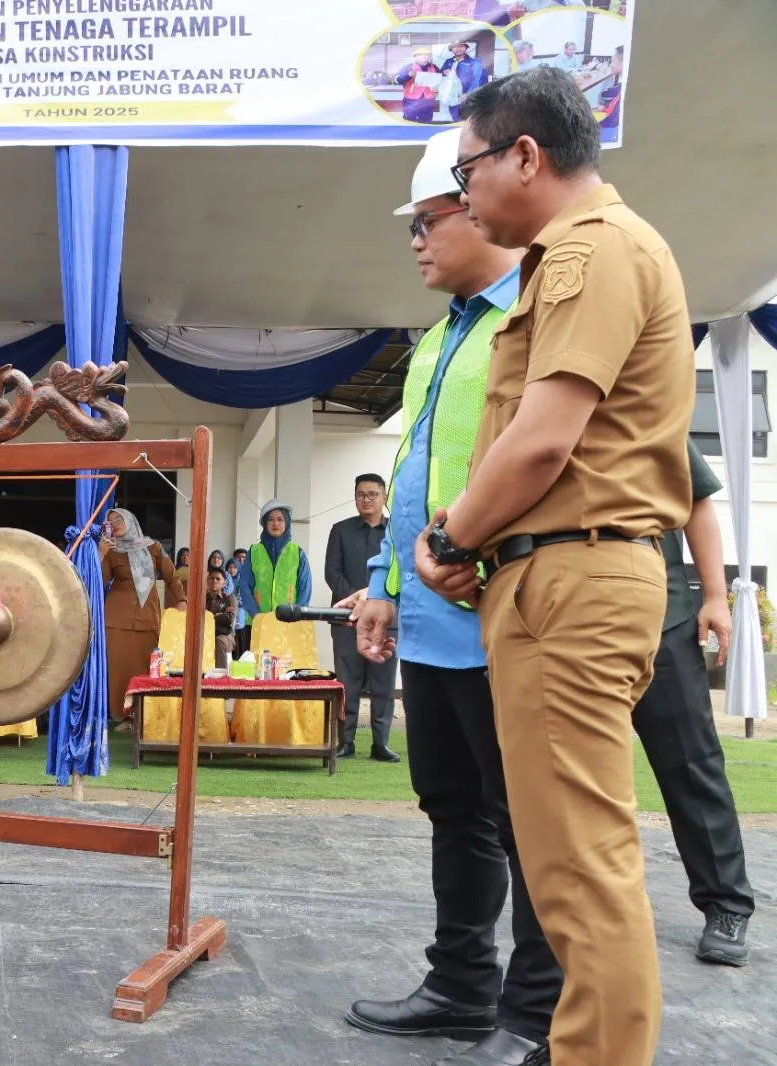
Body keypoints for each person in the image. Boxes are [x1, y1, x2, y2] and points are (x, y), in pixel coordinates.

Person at [410, 68, 695, 1065]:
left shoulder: (590, 252)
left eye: (468, 168)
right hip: (550, 576)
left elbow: (542, 442)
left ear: (524, 155)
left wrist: (451, 540)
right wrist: (472, 540)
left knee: (579, 868)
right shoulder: (572, 257)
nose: (466, 191)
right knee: (566, 862)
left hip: (575, 583)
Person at [346, 127, 559, 1066]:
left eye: (429, 221)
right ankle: (461, 988)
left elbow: (543, 459)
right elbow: (412, 471)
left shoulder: (542, 312)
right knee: (451, 805)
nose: (418, 242)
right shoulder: (437, 339)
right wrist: (384, 588)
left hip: (504, 612)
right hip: (428, 618)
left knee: (529, 822)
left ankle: (537, 1014)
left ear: (478, 212)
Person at [632, 447, 755, 966]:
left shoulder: (649, 402)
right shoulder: (524, 408)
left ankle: (726, 904)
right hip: (568, 622)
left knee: (692, 766)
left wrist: (713, 596)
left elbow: (698, 502)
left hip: (664, 620)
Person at [325, 474, 399, 762]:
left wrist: (375, 602)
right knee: (347, 683)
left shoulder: (396, 533)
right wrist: (358, 602)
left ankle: (381, 743)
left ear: (383, 497)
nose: (366, 499)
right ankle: (346, 741)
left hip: (387, 619)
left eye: (372, 494)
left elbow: (400, 573)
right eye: (360, 495)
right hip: (346, 617)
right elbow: (333, 573)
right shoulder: (340, 530)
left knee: (384, 682)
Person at [101, 507, 185, 728]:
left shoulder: (153, 547)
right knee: (119, 670)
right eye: (110, 521)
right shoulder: (111, 550)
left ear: (131, 520)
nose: (115, 523)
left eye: (119, 518)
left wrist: (182, 600)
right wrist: (100, 554)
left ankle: (145, 716)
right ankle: (124, 716)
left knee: (147, 667)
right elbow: (100, 582)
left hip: (147, 616)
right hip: (117, 618)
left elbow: (172, 576)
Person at [237, 501, 311, 635]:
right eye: (271, 519)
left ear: (286, 523)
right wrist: (257, 616)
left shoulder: (298, 553)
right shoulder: (254, 551)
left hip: (289, 623)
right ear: (265, 523)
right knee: (259, 656)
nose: (275, 523)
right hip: (258, 622)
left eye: (280, 519)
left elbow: (304, 589)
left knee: (287, 657)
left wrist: (296, 615)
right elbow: (244, 586)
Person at [442, 40, 487, 122]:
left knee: (468, 122)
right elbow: (441, 76)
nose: (458, 49)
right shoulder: (448, 62)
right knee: (455, 120)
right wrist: (444, 72)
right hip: (452, 98)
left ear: (466, 48)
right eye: (455, 47)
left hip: (467, 98)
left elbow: (479, 79)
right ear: (451, 49)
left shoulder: (474, 62)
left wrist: (468, 94)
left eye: (461, 46)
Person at [396, 47, 443, 124]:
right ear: (415, 57)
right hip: (411, 101)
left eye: (426, 55)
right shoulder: (408, 67)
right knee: (409, 122)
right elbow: (397, 80)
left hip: (428, 101)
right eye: (421, 55)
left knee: (426, 122)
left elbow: (440, 81)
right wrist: (408, 75)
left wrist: (437, 87)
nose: (424, 57)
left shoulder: (434, 67)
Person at [204, 567, 236, 669]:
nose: (214, 581)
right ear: (207, 580)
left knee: (219, 640)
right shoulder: (202, 599)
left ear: (224, 583)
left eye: (218, 579)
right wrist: (219, 616)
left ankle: (221, 675)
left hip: (226, 636)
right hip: (206, 634)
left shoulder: (230, 599)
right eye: (212, 578)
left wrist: (210, 617)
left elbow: (230, 618)